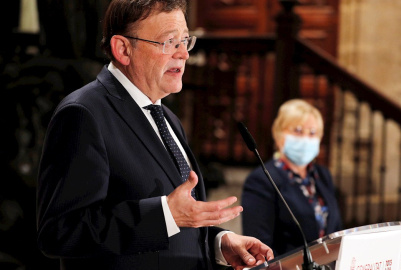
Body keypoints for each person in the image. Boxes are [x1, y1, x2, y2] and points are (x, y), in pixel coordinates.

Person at [36, 1, 273, 269]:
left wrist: (219, 243)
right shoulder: (83, 114)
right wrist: (165, 215)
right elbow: (61, 233)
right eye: (169, 42)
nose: (183, 54)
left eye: (185, 40)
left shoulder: (166, 117)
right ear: (123, 49)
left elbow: (176, 219)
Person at [241, 99, 343, 256]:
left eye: (312, 133)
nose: (306, 138)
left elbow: (335, 230)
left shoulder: (322, 175)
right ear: (279, 134)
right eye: (298, 131)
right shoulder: (262, 180)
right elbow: (259, 245)